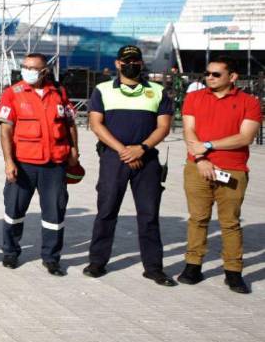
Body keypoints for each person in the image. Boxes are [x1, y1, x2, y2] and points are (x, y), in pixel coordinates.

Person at [84, 45, 176, 286]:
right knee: (106, 211)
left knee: (148, 215)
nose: (131, 64)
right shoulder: (103, 90)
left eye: (135, 61)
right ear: (117, 64)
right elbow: (96, 124)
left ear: (141, 63)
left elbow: (164, 127)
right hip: (115, 157)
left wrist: (141, 148)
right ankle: (97, 261)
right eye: (127, 61)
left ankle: (154, 267)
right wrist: (123, 150)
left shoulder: (156, 90)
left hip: (146, 158)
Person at [178, 56, 262, 294]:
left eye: (216, 74)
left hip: (233, 169)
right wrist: (202, 158)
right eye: (207, 73)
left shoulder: (249, 102)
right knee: (198, 218)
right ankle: (193, 266)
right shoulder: (194, 97)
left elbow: (245, 137)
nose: (209, 78)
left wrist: (209, 146)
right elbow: (188, 130)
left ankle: (233, 272)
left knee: (231, 222)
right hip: (197, 167)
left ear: (232, 77)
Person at [0, 53, 79, 276]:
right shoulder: (12, 94)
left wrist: (74, 150)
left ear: (44, 71)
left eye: (33, 68)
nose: (28, 71)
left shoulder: (59, 94)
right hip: (23, 164)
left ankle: (51, 258)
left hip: (54, 165)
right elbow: (5, 130)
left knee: (55, 213)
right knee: (14, 210)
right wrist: (8, 161)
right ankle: (10, 252)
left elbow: (71, 124)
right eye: (25, 67)